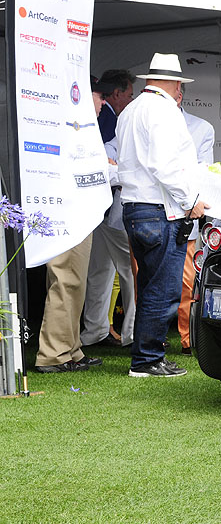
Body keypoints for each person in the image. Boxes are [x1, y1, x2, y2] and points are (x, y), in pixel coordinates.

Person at [116, 53, 209, 377]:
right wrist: (191, 201)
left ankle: (146, 354)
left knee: (150, 284)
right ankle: (147, 359)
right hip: (159, 209)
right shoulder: (164, 110)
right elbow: (166, 165)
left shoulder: (131, 109)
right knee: (163, 287)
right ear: (175, 83)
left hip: (135, 206)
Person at [34, 76, 111, 374]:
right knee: (65, 280)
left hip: (79, 212)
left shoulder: (79, 128)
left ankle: (70, 349)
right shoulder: (67, 127)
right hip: (65, 211)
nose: (103, 102)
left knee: (74, 281)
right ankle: (53, 353)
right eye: (99, 95)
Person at [80, 69, 138, 350]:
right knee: (128, 271)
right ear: (117, 94)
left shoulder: (111, 116)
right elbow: (104, 156)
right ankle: (130, 333)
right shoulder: (108, 117)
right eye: (128, 94)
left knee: (100, 271)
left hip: (102, 206)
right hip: (108, 206)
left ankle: (95, 330)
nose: (130, 99)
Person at [175, 83, 216, 356]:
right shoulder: (139, 118)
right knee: (145, 282)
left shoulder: (201, 127)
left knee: (188, 282)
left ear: (178, 95)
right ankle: (147, 341)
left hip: (185, 213)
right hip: (150, 213)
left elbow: (205, 172)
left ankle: (187, 338)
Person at [97, 69, 135, 142]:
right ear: (117, 94)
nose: (132, 101)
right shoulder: (108, 119)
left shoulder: (101, 114)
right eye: (129, 96)